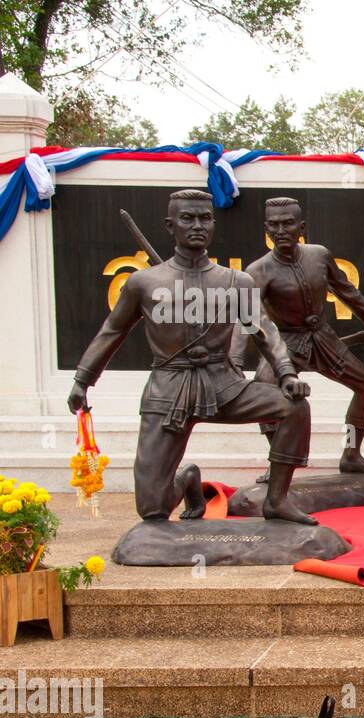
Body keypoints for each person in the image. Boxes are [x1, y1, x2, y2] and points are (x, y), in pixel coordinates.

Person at [67, 189, 317, 525]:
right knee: (152, 508)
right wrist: (83, 380)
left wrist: (287, 375)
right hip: (169, 390)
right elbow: (112, 332)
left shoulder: (234, 282)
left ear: (213, 224)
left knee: (294, 409)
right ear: (171, 226)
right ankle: (186, 479)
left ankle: (276, 500)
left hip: (223, 384)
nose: (197, 225)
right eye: (187, 218)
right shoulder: (144, 282)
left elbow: (263, 332)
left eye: (204, 218)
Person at [240, 197, 364, 483]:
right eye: (274, 224)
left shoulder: (319, 255)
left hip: (323, 337)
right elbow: (252, 321)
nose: (281, 230)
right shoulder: (257, 271)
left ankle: (351, 453)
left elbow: (349, 293)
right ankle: (278, 461)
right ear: (266, 229)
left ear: (301, 227)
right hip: (283, 343)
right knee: (265, 391)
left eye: (288, 223)